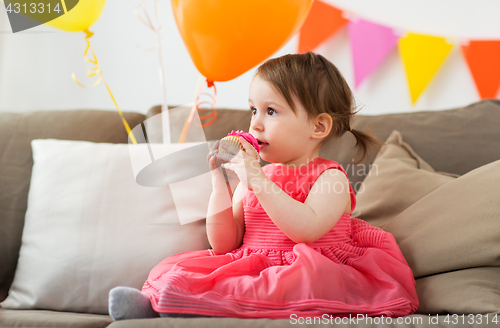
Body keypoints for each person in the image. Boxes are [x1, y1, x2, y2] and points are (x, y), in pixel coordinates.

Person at [108, 52, 419, 320]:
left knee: (274, 287)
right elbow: (224, 245)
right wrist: (220, 185)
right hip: (252, 264)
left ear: (318, 126)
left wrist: (255, 178)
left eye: (271, 111)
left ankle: (182, 308)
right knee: (179, 272)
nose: (255, 124)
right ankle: (159, 305)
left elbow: (306, 230)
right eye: (253, 109)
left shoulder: (329, 177)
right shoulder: (254, 176)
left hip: (306, 269)